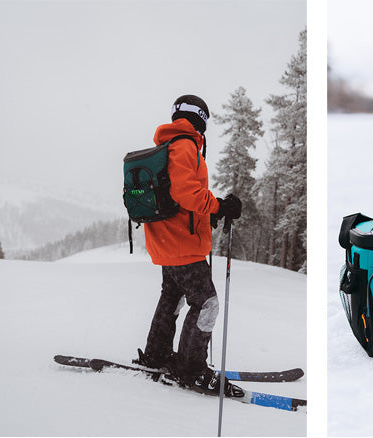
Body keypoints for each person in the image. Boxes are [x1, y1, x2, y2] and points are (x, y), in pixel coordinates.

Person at [134, 94, 242, 397]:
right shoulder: (185, 146)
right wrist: (218, 206)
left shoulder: (166, 147)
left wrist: (208, 215)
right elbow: (186, 193)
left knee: (172, 296)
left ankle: (156, 356)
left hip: (166, 242)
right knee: (207, 303)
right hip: (184, 246)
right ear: (201, 119)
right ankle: (192, 370)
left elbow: (176, 198)